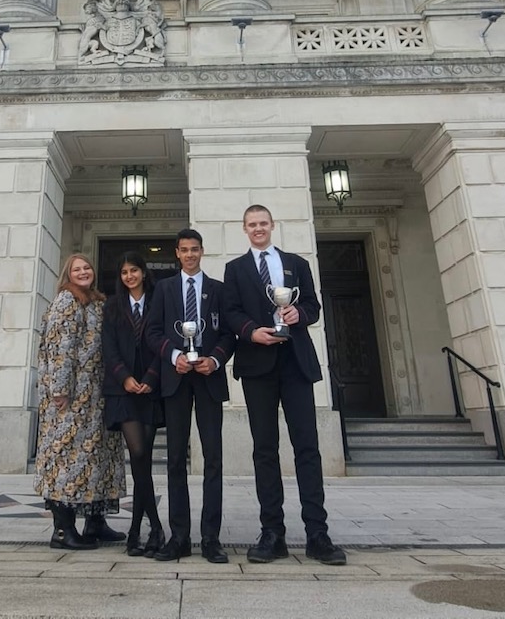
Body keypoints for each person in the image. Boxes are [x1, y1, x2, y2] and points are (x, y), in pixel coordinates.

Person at [223, 205, 346, 566]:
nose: (258, 229)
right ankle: (272, 533)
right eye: (252, 224)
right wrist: (251, 332)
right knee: (264, 449)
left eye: (263, 223)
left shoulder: (296, 263)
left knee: (307, 447)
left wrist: (298, 314)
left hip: (295, 363)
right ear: (244, 229)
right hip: (257, 365)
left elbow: (313, 306)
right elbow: (230, 311)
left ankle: (317, 534)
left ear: (272, 225)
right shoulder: (235, 269)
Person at [147, 229, 235, 563]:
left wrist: (215, 360)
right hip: (177, 379)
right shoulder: (164, 289)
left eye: (194, 249)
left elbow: (229, 334)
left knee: (213, 458)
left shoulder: (218, 289)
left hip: (209, 378)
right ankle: (180, 537)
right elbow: (153, 332)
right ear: (177, 253)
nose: (189, 255)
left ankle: (211, 538)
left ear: (202, 251)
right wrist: (174, 357)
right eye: (184, 250)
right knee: (174, 460)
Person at [34, 253, 126, 550]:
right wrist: (60, 390)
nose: (84, 272)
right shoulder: (67, 301)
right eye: (77, 269)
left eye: (87, 267)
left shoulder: (96, 301)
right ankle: (63, 530)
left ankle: (95, 522)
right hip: (72, 398)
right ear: (68, 274)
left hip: (96, 396)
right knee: (67, 459)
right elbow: (61, 348)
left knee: (95, 459)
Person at [102, 252, 165, 558]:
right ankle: (154, 526)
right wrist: (125, 378)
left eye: (134, 270)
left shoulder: (158, 300)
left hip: (151, 388)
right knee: (138, 454)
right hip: (123, 390)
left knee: (143, 462)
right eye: (124, 272)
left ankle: (136, 531)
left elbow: (165, 339)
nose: (129, 276)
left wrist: (151, 377)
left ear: (143, 272)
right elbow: (109, 347)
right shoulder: (112, 305)